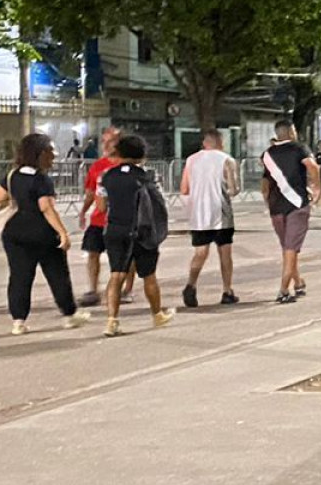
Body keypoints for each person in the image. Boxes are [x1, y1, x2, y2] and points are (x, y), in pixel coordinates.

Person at [0, 131, 88, 335]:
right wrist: (63, 233)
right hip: (42, 233)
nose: (54, 156)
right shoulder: (42, 180)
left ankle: (18, 321)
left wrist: (19, 201)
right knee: (57, 275)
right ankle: (69, 315)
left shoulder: (12, 175)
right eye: (51, 151)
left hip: (15, 232)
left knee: (19, 276)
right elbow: (46, 208)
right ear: (40, 153)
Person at [97, 133, 173, 337]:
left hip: (115, 229)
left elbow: (101, 206)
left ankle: (112, 322)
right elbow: (158, 202)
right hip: (142, 230)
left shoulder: (106, 176)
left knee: (116, 275)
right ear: (142, 154)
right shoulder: (149, 175)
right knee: (148, 275)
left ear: (119, 152)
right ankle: (157, 315)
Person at [179, 128, 241, 308]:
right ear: (220, 142)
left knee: (200, 253)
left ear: (204, 143)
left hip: (198, 214)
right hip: (221, 213)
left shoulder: (191, 160)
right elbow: (234, 189)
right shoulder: (227, 160)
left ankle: (191, 284)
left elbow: (184, 188)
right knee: (225, 253)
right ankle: (227, 290)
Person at [261, 118, 319, 304]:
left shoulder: (267, 155)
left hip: (276, 207)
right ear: (291, 132)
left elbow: (264, 185)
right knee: (291, 249)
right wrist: (317, 189)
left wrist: (268, 202)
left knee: (287, 248)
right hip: (296, 205)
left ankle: (299, 283)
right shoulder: (299, 148)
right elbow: (313, 166)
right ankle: (283, 289)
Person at [75, 124, 127, 307]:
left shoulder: (127, 165)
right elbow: (91, 192)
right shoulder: (98, 166)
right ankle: (93, 289)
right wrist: (83, 211)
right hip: (98, 219)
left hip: (121, 219)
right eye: (104, 141)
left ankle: (123, 289)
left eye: (111, 141)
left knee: (123, 257)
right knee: (93, 252)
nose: (106, 145)